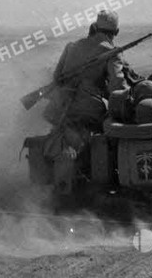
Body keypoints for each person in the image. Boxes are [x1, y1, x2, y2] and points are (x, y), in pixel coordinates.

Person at [43, 11, 139, 192]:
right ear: (116, 31)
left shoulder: (71, 46)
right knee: (113, 133)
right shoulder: (112, 52)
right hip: (89, 109)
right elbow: (118, 88)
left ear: (95, 27)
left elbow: (57, 78)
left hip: (61, 108)